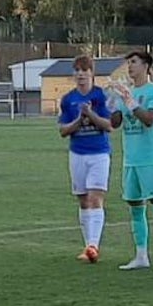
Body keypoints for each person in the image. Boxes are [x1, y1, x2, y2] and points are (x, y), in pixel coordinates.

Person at [108, 50, 153, 273]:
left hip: (150, 160)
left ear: (146, 66)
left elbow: (149, 120)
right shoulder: (127, 92)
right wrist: (112, 100)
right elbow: (116, 123)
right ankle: (141, 255)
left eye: (134, 62)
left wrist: (130, 102)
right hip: (130, 160)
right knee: (135, 208)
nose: (130, 67)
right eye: (128, 63)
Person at [57, 54, 112, 262]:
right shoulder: (68, 99)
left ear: (92, 74)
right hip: (77, 153)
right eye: (77, 70)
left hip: (98, 153)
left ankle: (93, 246)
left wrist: (91, 114)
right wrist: (80, 119)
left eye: (84, 70)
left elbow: (108, 125)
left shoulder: (101, 96)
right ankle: (87, 244)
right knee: (82, 200)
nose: (80, 74)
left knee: (95, 198)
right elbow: (63, 130)